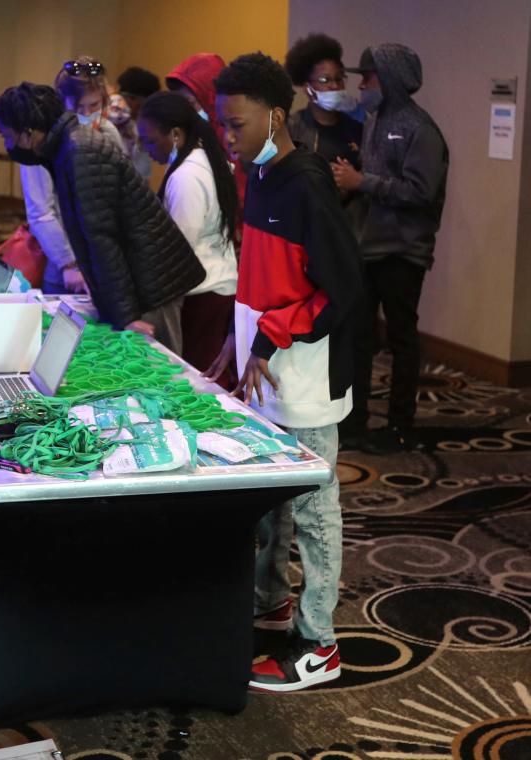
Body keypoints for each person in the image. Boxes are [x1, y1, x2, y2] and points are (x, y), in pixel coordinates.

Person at [208, 52, 361, 692]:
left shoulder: (305, 183)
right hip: (265, 368)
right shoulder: (261, 176)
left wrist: (269, 338)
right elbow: (264, 280)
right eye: (220, 124)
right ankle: (271, 599)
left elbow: (341, 289)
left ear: (274, 117)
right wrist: (235, 340)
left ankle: (320, 642)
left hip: (307, 373)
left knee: (317, 510)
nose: (227, 137)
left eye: (236, 125)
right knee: (273, 503)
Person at [0, 83, 204, 353]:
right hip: (137, 279)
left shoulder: (80, 151)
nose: (8, 145)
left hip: (151, 283)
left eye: (7, 135)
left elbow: (101, 239)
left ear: (28, 133)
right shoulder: (66, 148)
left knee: (159, 370)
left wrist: (127, 316)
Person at [332, 44, 449, 455]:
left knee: (401, 339)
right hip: (370, 246)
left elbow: (420, 191)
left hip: (403, 251)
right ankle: (357, 419)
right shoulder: (374, 119)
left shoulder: (421, 130)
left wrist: (362, 182)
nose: (361, 85)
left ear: (391, 79)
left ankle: (401, 426)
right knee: (360, 338)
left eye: (369, 76)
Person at [137, 91, 239, 384]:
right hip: (213, 285)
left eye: (151, 140)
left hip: (203, 292)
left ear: (176, 134)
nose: (146, 149)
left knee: (204, 382)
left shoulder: (187, 176)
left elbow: (180, 249)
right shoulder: (200, 159)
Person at [17, 57, 123, 295]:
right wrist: (68, 263)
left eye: (94, 106)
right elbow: (41, 212)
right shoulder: (43, 142)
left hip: (108, 264)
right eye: (77, 108)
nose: (86, 114)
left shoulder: (109, 133)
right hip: (64, 268)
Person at [285, 33, 365, 229]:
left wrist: (353, 182)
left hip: (348, 231)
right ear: (307, 88)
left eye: (339, 79)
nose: (334, 86)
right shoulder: (291, 128)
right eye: (324, 79)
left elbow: (369, 180)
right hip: (304, 228)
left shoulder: (358, 129)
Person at [166, 53, 248, 213]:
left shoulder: (233, 140)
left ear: (210, 98)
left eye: (190, 103)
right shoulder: (183, 138)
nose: (184, 112)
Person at [110, 66, 162, 179]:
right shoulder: (107, 127)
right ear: (130, 98)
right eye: (146, 104)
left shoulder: (136, 128)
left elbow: (143, 175)